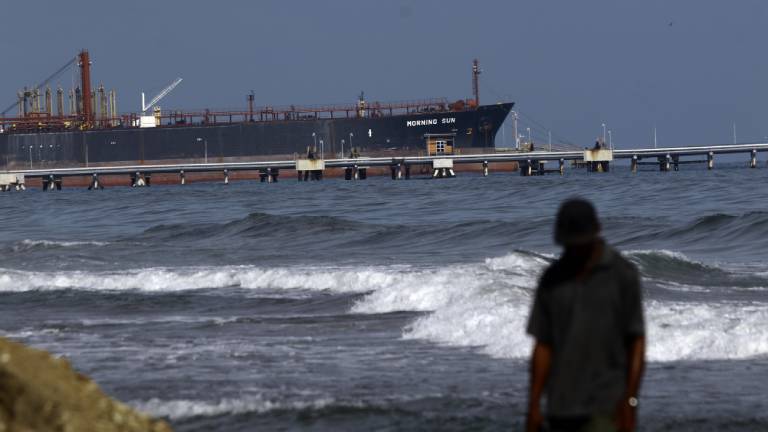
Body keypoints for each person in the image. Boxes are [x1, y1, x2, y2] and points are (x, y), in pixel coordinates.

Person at [526, 198, 645, 432]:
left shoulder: (622, 275)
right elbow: (543, 345)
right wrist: (533, 406)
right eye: (570, 244)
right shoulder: (551, 278)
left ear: (597, 231)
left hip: (605, 405)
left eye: (581, 244)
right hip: (560, 405)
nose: (576, 250)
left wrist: (630, 402)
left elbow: (636, 342)